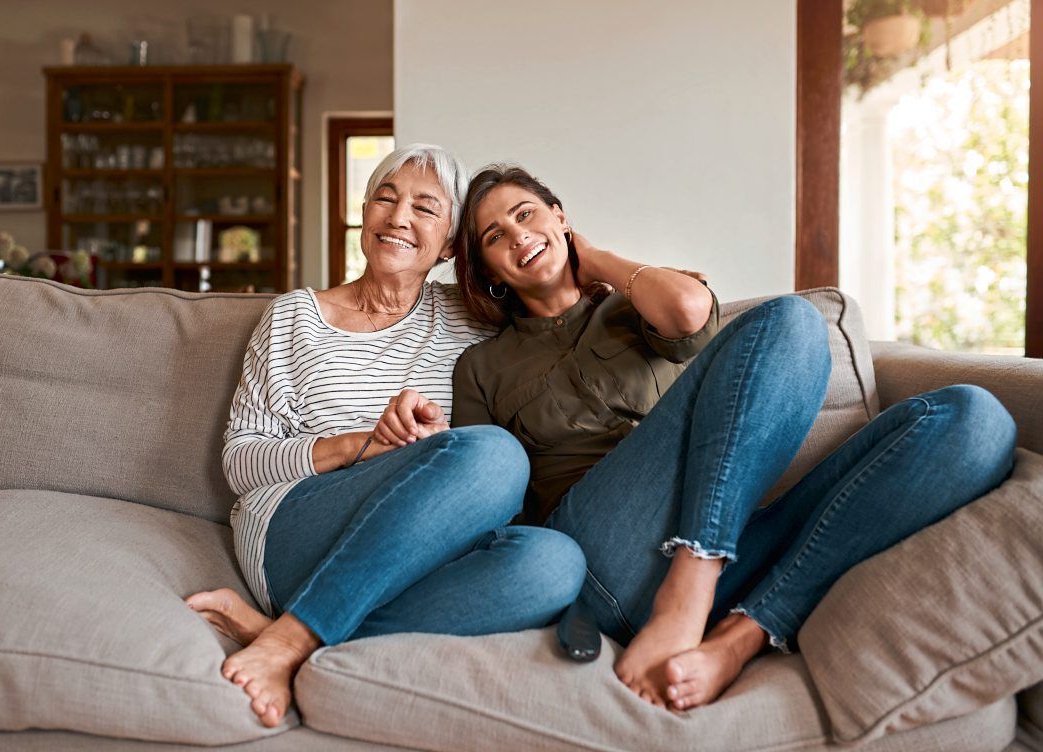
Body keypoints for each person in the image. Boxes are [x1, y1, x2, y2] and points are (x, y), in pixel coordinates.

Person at [398, 162, 1016, 712]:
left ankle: (738, 634)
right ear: (490, 273)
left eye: (526, 214)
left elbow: (691, 312)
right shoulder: (481, 366)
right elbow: (491, 499)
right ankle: (687, 592)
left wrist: (599, 261)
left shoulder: (635, 304)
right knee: (792, 320)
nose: (518, 237)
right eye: (494, 238)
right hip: (604, 553)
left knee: (971, 420)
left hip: (730, 537)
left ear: (561, 218)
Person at [184, 148, 586, 728]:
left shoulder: (475, 318)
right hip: (297, 531)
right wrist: (359, 446)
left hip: (411, 553)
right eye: (385, 198)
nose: (398, 217)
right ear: (365, 214)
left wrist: (439, 456)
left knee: (555, 563)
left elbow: (558, 285)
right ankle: (297, 634)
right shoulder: (294, 318)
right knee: (493, 453)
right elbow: (241, 463)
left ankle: (291, 634)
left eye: (426, 207)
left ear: (452, 244)